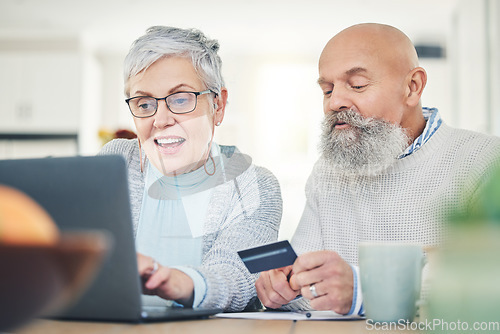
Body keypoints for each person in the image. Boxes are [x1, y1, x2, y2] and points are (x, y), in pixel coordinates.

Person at [255, 23, 500, 316]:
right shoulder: (327, 172)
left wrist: (364, 288)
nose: (335, 102)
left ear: (413, 87)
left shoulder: (485, 160)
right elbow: (306, 293)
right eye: (327, 90)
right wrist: (283, 289)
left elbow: (488, 278)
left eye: (357, 85)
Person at [99, 26, 282, 311]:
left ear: (218, 105)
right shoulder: (116, 164)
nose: (160, 120)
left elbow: (239, 276)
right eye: (144, 103)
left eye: (181, 99)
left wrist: (176, 281)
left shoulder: (252, 185)